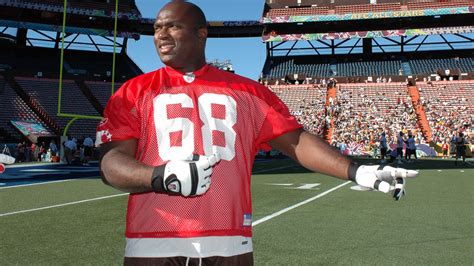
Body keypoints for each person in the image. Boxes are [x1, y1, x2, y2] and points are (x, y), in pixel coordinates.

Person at [97, 1, 418, 265]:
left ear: (201, 34)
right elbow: (111, 164)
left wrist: (355, 169)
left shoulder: (248, 92)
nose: (161, 34)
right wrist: (159, 175)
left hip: (229, 240)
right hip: (153, 240)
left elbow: (296, 142)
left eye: (172, 26)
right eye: (156, 28)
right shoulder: (133, 91)